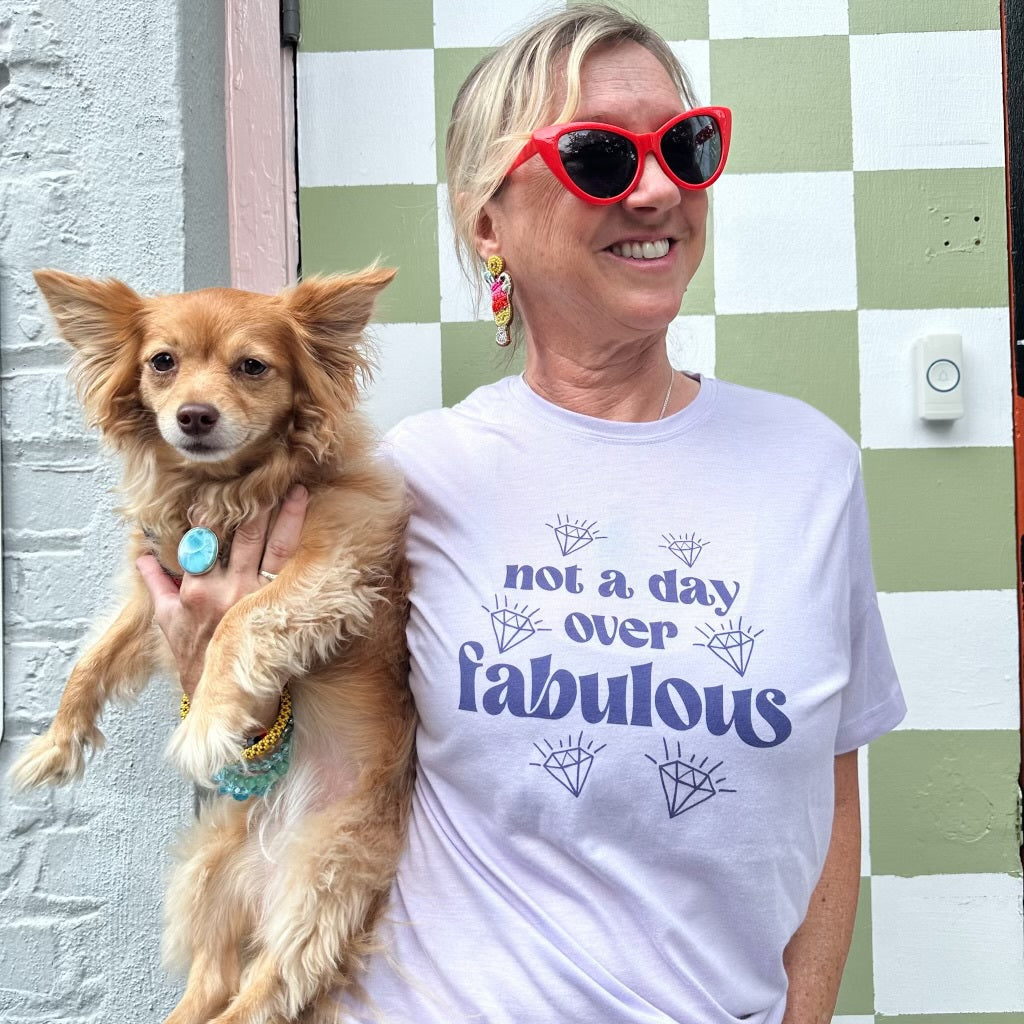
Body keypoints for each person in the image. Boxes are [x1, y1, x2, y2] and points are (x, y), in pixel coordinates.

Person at [139, 6, 906, 1022]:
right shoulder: (418, 477)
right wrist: (225, 682)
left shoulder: (810, 468)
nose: (660, 187)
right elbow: (308, 768)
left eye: (687, 145)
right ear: (486, 220)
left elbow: (831, 783)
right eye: (598, 155)